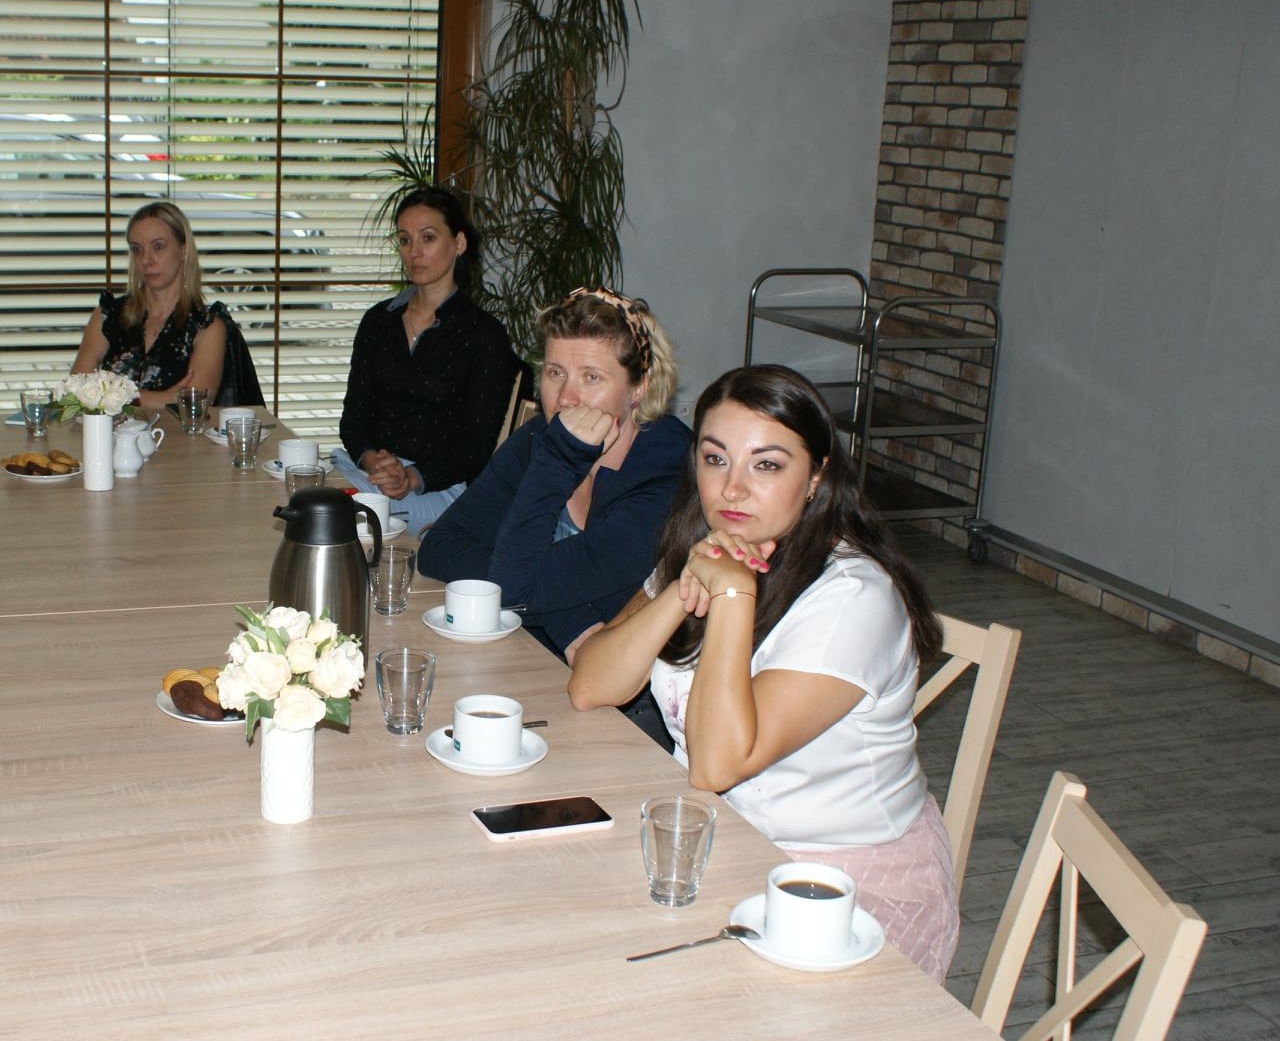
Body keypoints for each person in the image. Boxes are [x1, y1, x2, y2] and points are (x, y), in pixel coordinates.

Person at [566, 365, 957, 981]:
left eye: (767, 465)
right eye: (715, 459)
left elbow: (717, 765)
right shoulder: (712, 546)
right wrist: (680, 591)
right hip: (726, 846)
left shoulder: (853, 597)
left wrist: (732, 595)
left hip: (839, 890)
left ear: (816, 476)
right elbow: (591, 685)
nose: (733, 489)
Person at [418, 287, 687, 748]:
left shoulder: (669, 475)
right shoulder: (542, 441)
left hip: (633, 716)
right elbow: (440, 546)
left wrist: (560, 463)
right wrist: (569, 618)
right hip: (537, 665)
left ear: (638, 388)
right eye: (555, 373)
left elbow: (512, 591)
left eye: (592, 377)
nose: (566, 398)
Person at [335, 187, 518, 534]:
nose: (414, 252)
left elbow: (476, 448)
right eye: (405, 240)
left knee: (334, 508)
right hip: (372, 476)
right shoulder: (378, 322)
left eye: (428, 238)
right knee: (305, 486)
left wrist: (411, 477)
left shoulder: (484, 335)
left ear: (459, 243)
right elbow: (354, 418)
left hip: (441, 489)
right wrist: (374, 461)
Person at [71, 201, 230, 413]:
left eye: (158, 246)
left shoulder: (207, 326)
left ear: (184, 250)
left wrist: (108, 396)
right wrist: (164, 398)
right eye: (137, 249)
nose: (146, 260)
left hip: (177, 436)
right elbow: (74, 392)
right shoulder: (108, 316)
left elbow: (193, 404)